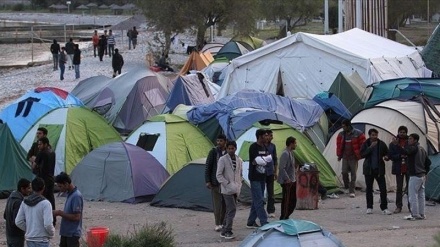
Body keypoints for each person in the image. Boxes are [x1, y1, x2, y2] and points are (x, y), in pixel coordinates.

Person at [15, 177, 55, 247]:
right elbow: (48, 224)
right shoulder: (45, 203)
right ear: (43, 187)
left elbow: (18, 221)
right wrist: (52, 233)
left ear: (32, 188)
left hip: (30, 239)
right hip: (42, 239)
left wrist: (30, 229)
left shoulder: (25, 202)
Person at [360, 128, 392, 215]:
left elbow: (388, 153)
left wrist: (387, 157)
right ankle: (369, 207)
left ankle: (384, 207)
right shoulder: (366, 143)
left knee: (383, 189)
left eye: (376, 135)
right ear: (369, 135)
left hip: (379, 170)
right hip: (368, 170)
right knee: (369, 189)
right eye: (373, 135)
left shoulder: (381, 144)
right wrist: (370, 148)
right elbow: (362, 154)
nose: (374, 137)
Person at [216, 141, 243, 240]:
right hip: (227, 189)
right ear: (226, 149)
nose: (231, 150)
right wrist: (227, 183)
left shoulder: (239, 160)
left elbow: (240, 173)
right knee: (232, 209)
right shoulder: (222, 160)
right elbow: (218, 175)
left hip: (236, 188)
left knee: (229, 210)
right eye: (229, 148)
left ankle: (224, 229)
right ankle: (228, 230)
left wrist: (239, 183)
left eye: (233, 148)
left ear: (235, 148)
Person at [403, 133, 430, 220]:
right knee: (421, 195)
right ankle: (422, 214)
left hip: (415, 175)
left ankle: (414, 214)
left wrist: (397, 145)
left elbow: (406, 151)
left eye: (410, 139)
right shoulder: (422, 149)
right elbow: (428, 162)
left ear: (415, 140)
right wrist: (426, 172)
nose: (408, 140)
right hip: (422, 175)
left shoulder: (414, 148)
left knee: (412, 195)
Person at [336, 119, 366, 198]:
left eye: (344, 126)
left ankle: (352, 190)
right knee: (344, 172)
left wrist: (359, 154)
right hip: (345, 157)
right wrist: (339, 155)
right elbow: (339, 145)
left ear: (348, 126)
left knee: (353, 174)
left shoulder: (358, 133)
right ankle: (347, 186)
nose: (343, 128)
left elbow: (363, 144)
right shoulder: (341, 134)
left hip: (353, 157)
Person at [246, 129, 270, 228]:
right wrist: (263, 160)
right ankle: (264, 222)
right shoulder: (253, 147)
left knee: (257, 200)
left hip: (262, 177)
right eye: (265, 135)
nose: (267, 137)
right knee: (259, 200)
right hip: (254, 177)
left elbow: (269, 159)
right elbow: (257, 161)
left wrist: (263, 160)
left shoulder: (265, 147)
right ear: (260, 136)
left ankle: (250, 222)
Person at [54, 173, 83, 247]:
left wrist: (60, 213)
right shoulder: (70, 194)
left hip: (72, 234)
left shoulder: (76, 196)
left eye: (60, 186)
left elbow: (77, 217)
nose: (60, 189)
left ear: (66, 184)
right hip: (66, 232)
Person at [205, 134, 227, 232]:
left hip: (226, 183)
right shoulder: (213, 152)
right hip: (215, 183)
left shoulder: (228, 152)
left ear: (225, 141)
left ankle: (223, 222)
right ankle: (217, 223)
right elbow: (208, 167)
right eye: (217, 141)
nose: (219, 143)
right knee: (217, 204)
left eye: (221, 141)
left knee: (225, 205)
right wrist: (208, 180)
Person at [3, 178, 32, 247]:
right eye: (28, 188)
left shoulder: (11, 197)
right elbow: (17, 221)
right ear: (22, 189)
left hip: (9, 235)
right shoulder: (18, 202)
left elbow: (5, 215)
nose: (30, 190)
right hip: (16, 237)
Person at [34, 137, 56, 225]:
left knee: (42, 200)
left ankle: (44, 219)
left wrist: (32, 161)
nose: (39, 146)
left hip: (43, 179)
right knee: (51, 199)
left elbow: (34, 166)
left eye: (40, 144)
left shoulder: (41, 153)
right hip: (50, 178)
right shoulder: (52, 152)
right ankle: (52, 219)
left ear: (45, 144)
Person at [388, 126, 409, 214]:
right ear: (398, 132)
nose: (402, 133)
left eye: (404, 132)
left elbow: (410, 152)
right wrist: (400, 156)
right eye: (400, 132)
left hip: (408, 168)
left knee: (410, 188)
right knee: (399, 188)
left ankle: (411, 206)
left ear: (406, 133)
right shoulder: (393, 143)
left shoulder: (410, 141)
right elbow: (391, 156)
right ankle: (398, 206)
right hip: (398, 167)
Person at [277, 136, 298, 220]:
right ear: (291, 143)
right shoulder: (285, 153)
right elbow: (282, 168)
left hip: (292, 180)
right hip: (287, 182)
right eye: (295, 143)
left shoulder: (291, 153)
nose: (296, 145)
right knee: (287, 200)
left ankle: (287, 215)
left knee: (293, 200)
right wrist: (287, 178)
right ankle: (284, 216)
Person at [264, 129, 277, 218]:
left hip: (270, 172)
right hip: (261, 172)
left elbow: (275, 159)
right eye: (270, 135)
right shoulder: (260, 146)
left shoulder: (273, 146)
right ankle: (260, 210)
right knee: (261, 192)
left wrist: (276, 171)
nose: (271, 137)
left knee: (271, 192)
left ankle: (271, 210)